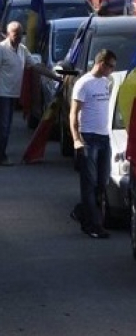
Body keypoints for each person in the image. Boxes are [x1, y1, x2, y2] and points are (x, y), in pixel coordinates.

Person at [69, 49, 117, 239]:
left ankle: (82, 211)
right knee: (88, 184)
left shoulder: (106, 83)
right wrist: (76, 140)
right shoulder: (83, 83)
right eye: (111, 66)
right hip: (88, 138)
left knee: (102, 182)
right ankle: (93, 225)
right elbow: (73, 113)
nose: (113, 70)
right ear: (101, 63)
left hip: (104, 138)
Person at [0, 22, 61, 166]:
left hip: (13, 93)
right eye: (16, 35)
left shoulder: (22, 50)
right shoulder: (2, 49)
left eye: (21, 34)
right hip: (2, 93)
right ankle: (1, 156)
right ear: (9, 34)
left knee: (6, 126)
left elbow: (36, 66)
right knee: (3, 126)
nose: (19, 38)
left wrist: (55, 76)